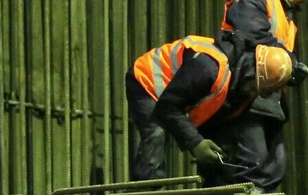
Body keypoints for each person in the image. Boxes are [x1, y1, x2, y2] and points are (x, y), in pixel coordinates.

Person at [216, 0, 308, 191]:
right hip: (246, 92)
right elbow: (253, 34)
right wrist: (290, 60)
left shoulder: (287, 18)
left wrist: (291, 70)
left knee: (276, 164)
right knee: (252, 160)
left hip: (269, 99)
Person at [125, 34, 292, 183]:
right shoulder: (209, 67)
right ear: (250, 72)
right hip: (148, 82)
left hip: (176, 98)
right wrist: (196, 143)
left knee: (218, 155)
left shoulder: (239, 89)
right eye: (255, 87)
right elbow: (168, 106)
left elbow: (215, 125)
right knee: (157, 133)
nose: (254, 93)